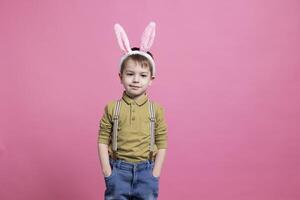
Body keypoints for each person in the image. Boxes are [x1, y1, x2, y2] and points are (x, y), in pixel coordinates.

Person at [97, 22, 168, 200]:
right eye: (130, 74)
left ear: (151, 79)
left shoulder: (156, 110)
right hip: (118, 171)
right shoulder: (112, 108)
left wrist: (155, 174)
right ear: (120, 77)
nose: (136, 80)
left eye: (143, 75)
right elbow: (103, 140)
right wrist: (108, 172)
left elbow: (162, 142)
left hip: (146, 172)